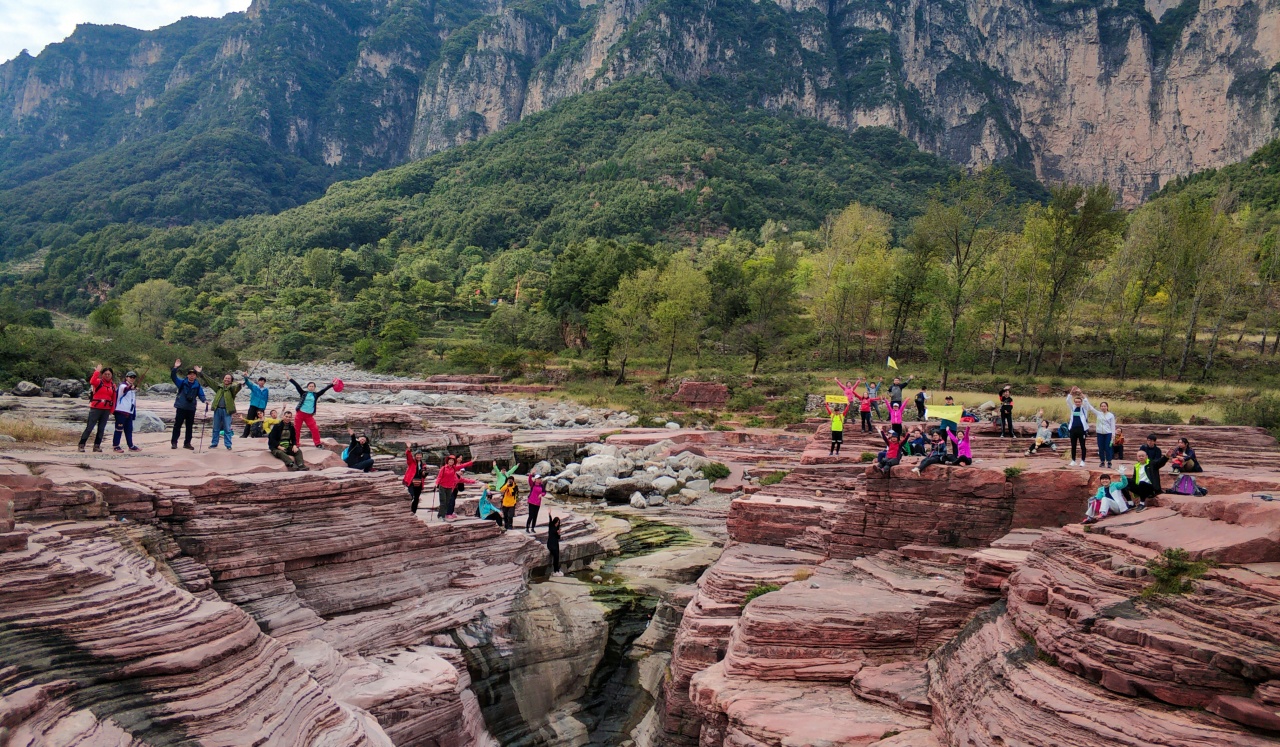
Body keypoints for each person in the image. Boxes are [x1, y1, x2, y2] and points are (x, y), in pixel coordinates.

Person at [78, 364, 117, 453]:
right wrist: (97, 372)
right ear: (102, 374)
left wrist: (112, 410)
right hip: (95, 408)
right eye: (105, 374)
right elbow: (92, 381)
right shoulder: (98, 382)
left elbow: (114, 398)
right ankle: (81, 445)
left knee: (101, 429)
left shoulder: (113, 385)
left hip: (106, 409)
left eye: (109, 374)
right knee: (89, 427)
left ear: (111, 375)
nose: (107, 375)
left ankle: (97, 446)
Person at [287, 376, 334, 448]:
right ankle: (296, 444)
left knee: (314, 429)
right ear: (307, 387)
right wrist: (290, 379)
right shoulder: (303, 393)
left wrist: (332, 384)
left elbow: (324, 390)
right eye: (310, 386)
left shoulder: (316, 395)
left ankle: (317, 443)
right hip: (300, 413)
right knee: (297, 429)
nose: (311, 387)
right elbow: (297, 385)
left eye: (313, 386)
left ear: (314, 387)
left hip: (309, 416)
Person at [170, 359, 206, 450]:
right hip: (181, 407)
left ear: (195, 376)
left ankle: (187, 443)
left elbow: (201, 394)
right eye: (190, 374)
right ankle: (174, 443)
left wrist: (204, 400)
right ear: (187, 375)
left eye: (193, 374)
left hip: (191, 408)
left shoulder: (197, 385)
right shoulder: (182, 382)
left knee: (189, 427)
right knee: (177, 425)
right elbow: (173, 377)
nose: (191, 376)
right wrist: (175, 367)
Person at [202, 371, 242, 451]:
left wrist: (240, 384)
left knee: (227, 428)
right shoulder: (218, 387)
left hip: (227, 411)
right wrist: (201, 373)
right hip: (217, 409)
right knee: (215, 428)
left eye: (229, 378)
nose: (227, 379)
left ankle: (228, 445)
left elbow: (237, 388)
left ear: (231, 381)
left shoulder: (232, 389)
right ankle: (214, 443)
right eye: (226, 378)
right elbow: (210, 381)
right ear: (223, 379)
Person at [436, 454, 475, 521]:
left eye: (452, 460)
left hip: (450, 488)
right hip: (442, 486)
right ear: (447, 461)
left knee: (447, 502)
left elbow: (463, 466)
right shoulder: (443, 468)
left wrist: (472, 461)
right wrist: (436, 484)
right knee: (443, 502)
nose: (451, 461)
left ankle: (444, 514)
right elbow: (439, 477)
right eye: (450, 460)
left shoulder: (454, 468)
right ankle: (440, 516)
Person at [111, 370, 140, 453]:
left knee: (129, 430)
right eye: (130, 377)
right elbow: (125, 389)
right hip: (121, 411)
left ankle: (131, 446)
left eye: (134, 377)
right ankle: (116, 446)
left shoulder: (132, 389)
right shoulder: (122, 386)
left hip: (129, 412)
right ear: (126, 378)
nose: (132, 379)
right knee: (119, 429)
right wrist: (131, 388)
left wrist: (133, 413)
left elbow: (132, 402)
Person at [1085, 398, 1117, 469]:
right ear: (1100, 407)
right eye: (1102, 406)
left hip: (1108, 433)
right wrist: (1084, 398)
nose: (1103, 407)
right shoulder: (1098, 414)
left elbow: (1113, 425)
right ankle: (1102, 461)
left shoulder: (1110, 415)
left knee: (1108, 447)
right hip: (1100, 433)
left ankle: (1109, 461)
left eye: (1104, 406)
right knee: (1101, 448)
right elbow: (1091, 408)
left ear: (1107, 407)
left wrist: (1113, 435)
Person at [1064, 387, 1090, 467]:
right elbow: (1068, 400)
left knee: (1082, 445)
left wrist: (1081, 393)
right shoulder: (1073, 408)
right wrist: (1071, 392)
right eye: (1076, 402)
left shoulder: (1084, 408)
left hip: (1082, 429)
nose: (1077, 403)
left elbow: (1086, 401)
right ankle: (1073, 460)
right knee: (1073, 445)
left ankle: (1082, 461)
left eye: (1079, 402)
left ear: (1081, 402)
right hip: (1073, 429)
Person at [404, 444, 428, 514]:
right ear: (415, 456)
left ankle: (413, 512)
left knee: (416, 498)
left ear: (422, 456)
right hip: (411, 482)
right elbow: (408, 457)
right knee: (411, 496)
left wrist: (424, 473)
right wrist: (408, 450)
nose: (419, 456)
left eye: (420, 455)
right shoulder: (411, 462)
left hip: (419, 483)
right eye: (417, 455)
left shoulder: (423, 464)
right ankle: (407, 509)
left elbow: (424, 474)